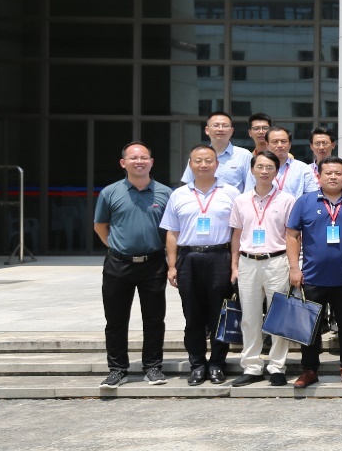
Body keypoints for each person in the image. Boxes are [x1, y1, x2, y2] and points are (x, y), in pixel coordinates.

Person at [95, 142, 173, 388]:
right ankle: (117, 369)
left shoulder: (165, 193)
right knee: (116, 320)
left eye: (144, 157)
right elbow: (100, 225)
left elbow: (172, 230)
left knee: (154, 319)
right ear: (123, 163)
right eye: (133, 158)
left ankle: (153, 367)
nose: (139, 161)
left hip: (153, 263)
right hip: (118, 264)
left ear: (151, 162)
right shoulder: (110, 192)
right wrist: (115, 246)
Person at [161, 145, 239, 386]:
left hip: (219, 257)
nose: (203, 165)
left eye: (208, 160)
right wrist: (172, 265)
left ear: (217, 164)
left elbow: (237, 232)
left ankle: (217, 364)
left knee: (219, 315)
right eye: (198, 161)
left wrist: (234, 265)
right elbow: (172, 232)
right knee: (192, 315)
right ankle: (196, 365)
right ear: (190, 164)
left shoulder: (231, 193)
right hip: (189, 258)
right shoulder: (179, 194)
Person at [287, 157, 342, 388]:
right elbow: (292, 235)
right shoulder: (304, 201)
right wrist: (294, 268)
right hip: (312, 277)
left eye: (338, 173)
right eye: (328, 173)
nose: (333, 177)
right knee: (310, 327)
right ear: (319, 177)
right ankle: (309, 369)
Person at [227, 150, 295, 387]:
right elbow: (236, 235)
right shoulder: (241, 200)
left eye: (270, 167)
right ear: (252, 170)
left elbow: (292, 235)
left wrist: (294, 266)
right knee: (249, 317)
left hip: (277, 261)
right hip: (248, 262)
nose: (264, 171)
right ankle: (252, 366)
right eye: (260, 167)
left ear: (277, 171)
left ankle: (277, 366)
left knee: (278, 317)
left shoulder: (287, 200)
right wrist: (234, 265)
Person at [180, 112, 252, 192]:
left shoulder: (244, 155)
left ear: (232, 131)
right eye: (216, 125)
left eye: (225, 126)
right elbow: (188, 185)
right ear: (207, 130)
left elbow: (250, 187)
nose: (220, 129)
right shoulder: (197, 155)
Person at [266, 127, 319, 199]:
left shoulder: (302, 168)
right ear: (267, 145)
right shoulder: (259, 168)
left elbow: (312, 196)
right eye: (275, 141)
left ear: (290, 144)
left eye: (283, 141)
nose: (279, 145)